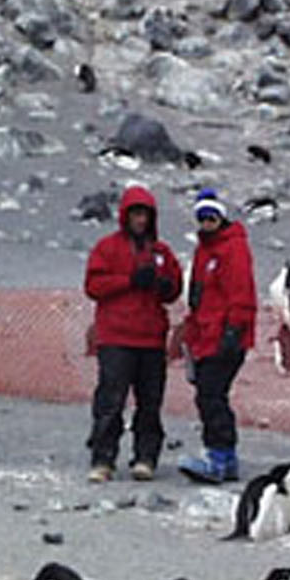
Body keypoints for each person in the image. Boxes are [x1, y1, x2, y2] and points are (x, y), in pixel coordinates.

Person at [83, 183, 183, 483]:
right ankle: (103, 459)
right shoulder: (108, 248)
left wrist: (167, 287)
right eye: (136, 213)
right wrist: (129, 280)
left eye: (145, 215)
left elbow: (175, 286)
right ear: (126, 216)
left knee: (150, 403)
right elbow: (93, 286)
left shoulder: (162, 252)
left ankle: (146, 457)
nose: (141, 220)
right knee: (110, 402)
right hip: (116, 337)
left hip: (151, 339)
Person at [179, 188, 256, 484]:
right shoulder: (204, 250)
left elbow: (242, 292)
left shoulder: (232, 248)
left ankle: (219, 456)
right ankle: (226, 458)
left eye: (212, 217)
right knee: (210, 394)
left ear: (221, 218)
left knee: (211, 395)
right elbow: (199, 296)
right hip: (205, 335)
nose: (207, 222)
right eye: (202, 218)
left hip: (224, 336)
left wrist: (234, 331)